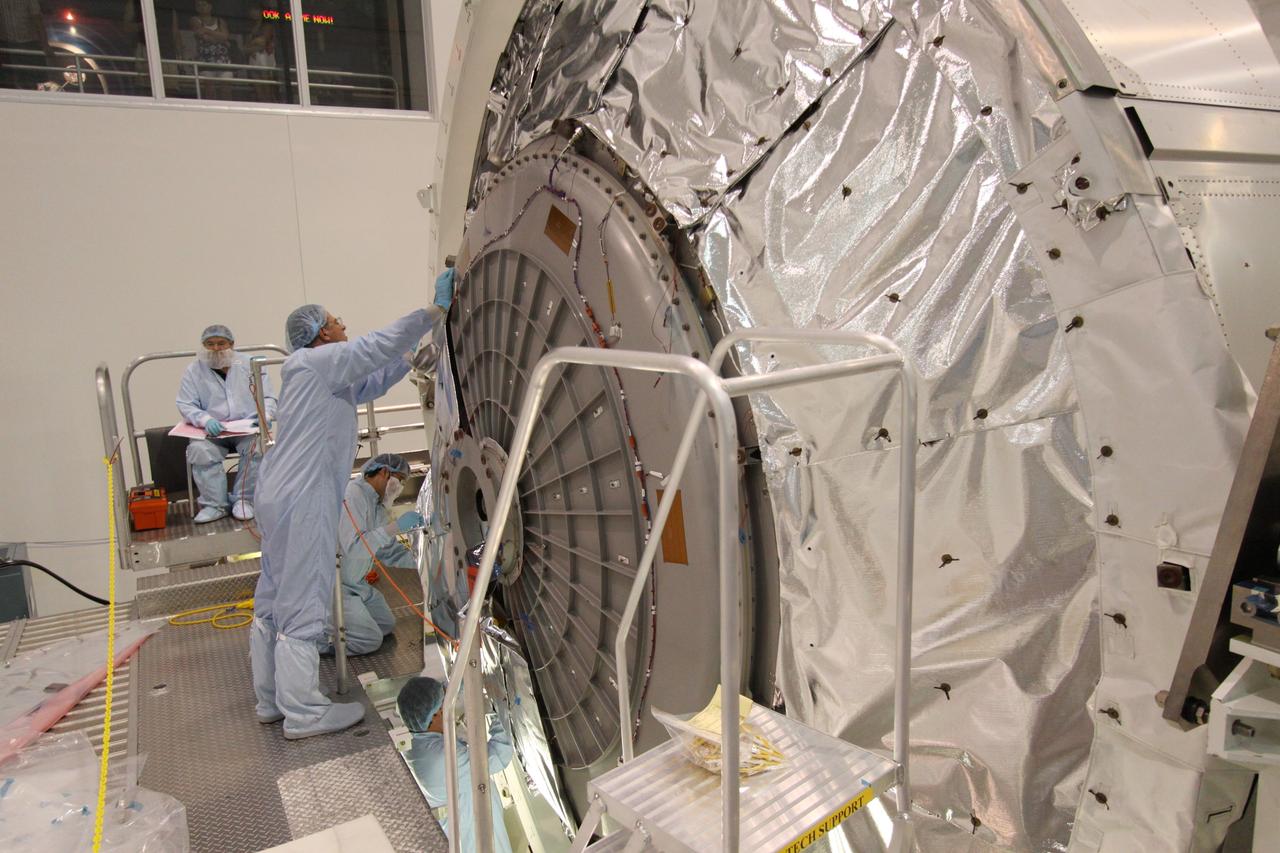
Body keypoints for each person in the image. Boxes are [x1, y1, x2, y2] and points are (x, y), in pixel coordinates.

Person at [250, 268, 454, 740]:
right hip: (303, 500)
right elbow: (370, 349)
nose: (344, 326)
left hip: (280, 494)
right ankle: (303, 713)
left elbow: (369, 382)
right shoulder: (314, 362)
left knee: (272, 602)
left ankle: (269, 700)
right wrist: (432, 312)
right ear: (323, 332)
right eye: (338, 321)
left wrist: (413, 357)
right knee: (302, 603)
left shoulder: (315, 376)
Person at [397, 676, 515, 853]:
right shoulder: (441, 759)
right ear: (437, 714)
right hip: (477, 842)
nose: (450, 704)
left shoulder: (418, 738)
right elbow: (499, 754)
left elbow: (446, 692)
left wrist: (468, 663)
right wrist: (502, 706)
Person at [176, 324, 276, 524]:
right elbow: (185, 403)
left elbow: (269, 397)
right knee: (199, 451)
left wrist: (264, 415)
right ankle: (215, 505)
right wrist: (205, 420)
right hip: (212, 430)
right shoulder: (194, 371)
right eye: (210, 344)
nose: (215, 348)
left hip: (246, 427)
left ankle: (244, 500)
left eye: (221, 343)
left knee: (257, 447)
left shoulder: (250, 365)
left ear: (231, 344)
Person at [335, 453, 424, 655]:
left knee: (386, 625)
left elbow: (388, 552)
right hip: (336, 586)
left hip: (356, 584)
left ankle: (343, 622)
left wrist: (424, 559)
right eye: (399, 480)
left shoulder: (377, 505)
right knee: (369, 640)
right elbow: (354, 548)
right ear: (384, 472)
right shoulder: (353, 495)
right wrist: (394, 528)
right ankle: (319, 638)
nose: (400, 488)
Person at [0, 0, 52, 90]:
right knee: (11, 80)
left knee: (29, 78)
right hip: (7, 45)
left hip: (28, 43)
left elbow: (37, 19)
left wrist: (45, 44)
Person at [189, 0, 232, 100]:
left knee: (226, 88)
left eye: (204, 4)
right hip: (206, 61)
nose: (202, 7)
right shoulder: (195, 20)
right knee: (209, 88)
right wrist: (220, 38)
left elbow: (225, 36)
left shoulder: (220, 21)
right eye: (198, 5)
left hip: (223, 60)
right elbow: (203, 36)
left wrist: (207, 30)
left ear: (210, 6)